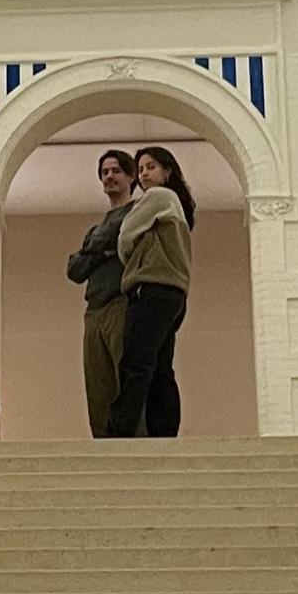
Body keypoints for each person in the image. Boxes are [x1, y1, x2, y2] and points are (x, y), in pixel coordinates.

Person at [105, 145, 195, 438]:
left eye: (151, 166)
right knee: (159, 367)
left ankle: (120, 431)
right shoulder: (176, 204)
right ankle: (163, 432)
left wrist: (129, 252)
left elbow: (125, 234)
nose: (144, 173)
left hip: (152, 289)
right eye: (141, 168)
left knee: (136, 362)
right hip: (174, 294)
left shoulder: (158, 197)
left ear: (167, 171)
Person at [67, 149, 136, 435]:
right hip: (93, 310)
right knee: (98, 387)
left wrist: (96, 248)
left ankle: (134, 445)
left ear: (131, 177)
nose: (109, 176)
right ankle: (104, 447)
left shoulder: (136, 213)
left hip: (122, 303)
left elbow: (120, 242)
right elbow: (74, 270)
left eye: (116, 171)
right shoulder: (96, 229)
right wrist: (101, 250)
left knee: (126, 380)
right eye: (105, 172)